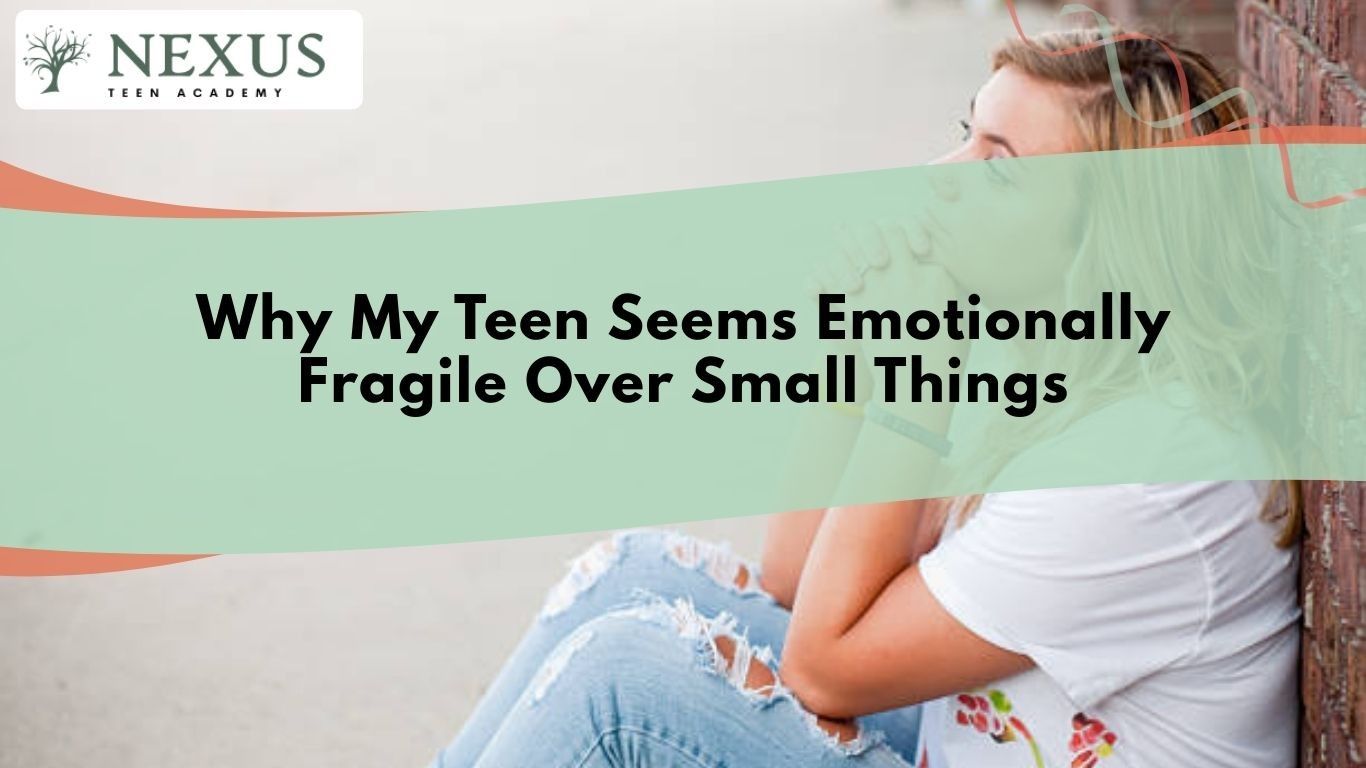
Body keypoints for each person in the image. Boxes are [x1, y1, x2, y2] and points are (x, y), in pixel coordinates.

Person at [431, 28, 1301, 768]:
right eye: (965, 135)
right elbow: (796, 579)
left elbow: (825, 668)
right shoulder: (1082, 377)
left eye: (998, 168)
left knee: (625, 682)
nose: (942, 174)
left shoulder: (1139, 472)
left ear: (1111, 245)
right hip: (960, 742)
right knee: (632, 573)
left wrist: (916, 377)